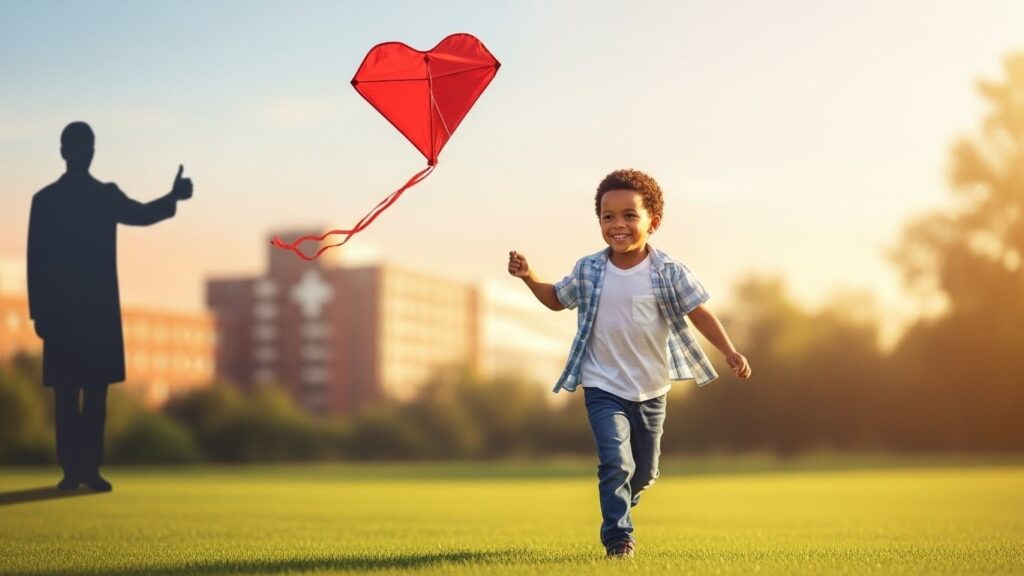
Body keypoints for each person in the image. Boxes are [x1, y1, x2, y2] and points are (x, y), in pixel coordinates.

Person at [507, 168, 751, 558]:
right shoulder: (589, 269)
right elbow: (556, 299)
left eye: (629, 215)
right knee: (615, 463)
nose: (617, 224)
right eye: (608, 216)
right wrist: (529, 276)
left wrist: (728, 350)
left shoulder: (668, 271)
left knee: (645, 472)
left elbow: (699, 312)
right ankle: (619, 538)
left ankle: (621, 499)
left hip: (651, 388)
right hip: (602, 385)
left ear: (653, 222)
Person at [27, 121, 193, 492]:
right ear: (76, 151)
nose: (83, 152)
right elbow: (36, 260)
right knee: (74, 398)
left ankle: (82, 470)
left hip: (84, 317)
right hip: (76, 316)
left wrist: (172, 198)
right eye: (81, 146)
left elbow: (142, 214)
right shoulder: (57, 199)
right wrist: (39, 313)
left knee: (84, 397)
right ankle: (77, 471)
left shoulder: (73, 197)